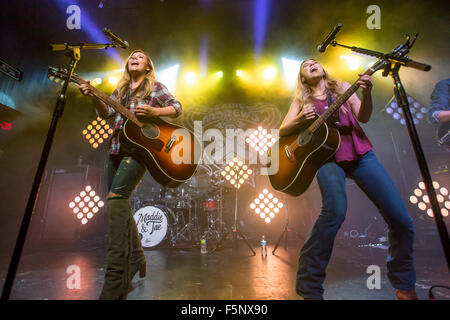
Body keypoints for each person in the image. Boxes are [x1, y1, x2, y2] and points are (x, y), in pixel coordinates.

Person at [279, 59, 418, 300]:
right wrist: (301, 118)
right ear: (302, 77)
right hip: (326, 158)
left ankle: (404, 285)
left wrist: (368, 92)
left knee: (401, 219)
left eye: (315, 62)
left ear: (323, 69)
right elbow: (283, 130)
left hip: (359, 152)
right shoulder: (302, 100)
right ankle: (309, 288)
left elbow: (363, 116)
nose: (312, 64)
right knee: (334, 213)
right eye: (305, 65)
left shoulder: (342, 87)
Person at [79, 49, 182, 299]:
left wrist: (154, 113)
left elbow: (177, 108)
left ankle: (116, 279)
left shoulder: (155, 87)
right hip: (116, 147)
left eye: (141, 56)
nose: (134, 57)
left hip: (139, 151)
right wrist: (94, 96)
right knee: (117, 204)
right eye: (131, 56)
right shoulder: (121, 90)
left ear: (148, 66)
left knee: (116, 200)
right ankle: (137, 258)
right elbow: (106, 114)